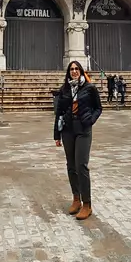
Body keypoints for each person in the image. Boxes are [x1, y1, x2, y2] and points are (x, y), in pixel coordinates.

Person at [54, 60, 102, 220]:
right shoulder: (65, 89)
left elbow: (98, 108)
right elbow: (59, 113)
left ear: (81, 71)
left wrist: (91, 120)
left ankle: (87, 204)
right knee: (71, 166)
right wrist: (56, 135)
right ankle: (76, 199)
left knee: (81, 166)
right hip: (68, 130)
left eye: (76, 69)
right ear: (68, 72)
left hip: (83, 130)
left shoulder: (90, 88)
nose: (74, 71)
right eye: (71, 69)